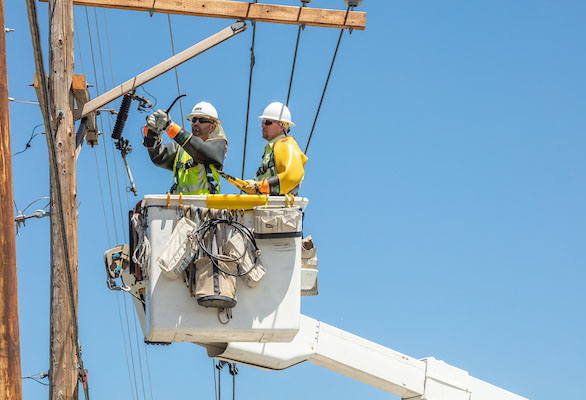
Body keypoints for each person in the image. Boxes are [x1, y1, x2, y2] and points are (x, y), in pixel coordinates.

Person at [143, 101, 228, 195]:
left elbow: (201, 150)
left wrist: (169, 126)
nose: (196, 123)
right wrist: (151, 132)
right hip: (179, 207)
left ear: (212, 127)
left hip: (206, 206)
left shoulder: (217, 146)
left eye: (202, 120)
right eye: (194, 120)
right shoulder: (179, 150)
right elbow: (158, 157)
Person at [242, 102, 307, 195]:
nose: (263, 126)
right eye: (263, 122)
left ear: (281, 126)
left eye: (268, 122)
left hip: (277, 207)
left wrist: (259, 187)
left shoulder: (285, 144)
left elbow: (292, 176)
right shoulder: (272, 148)